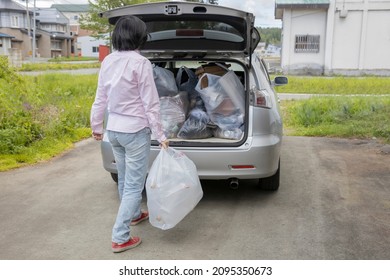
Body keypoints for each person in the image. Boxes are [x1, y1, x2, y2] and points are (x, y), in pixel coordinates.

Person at [90, 16, 169, 253]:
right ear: (139, 37)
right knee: (134, 185)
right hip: (135, 131)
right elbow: (150, 103)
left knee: (125, 178)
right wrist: (161, 134)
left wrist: (96, 126)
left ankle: (135, 214)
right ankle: (120, 237)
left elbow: (100, 97)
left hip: (113, 130)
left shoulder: (108, 61)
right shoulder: (141, 63)